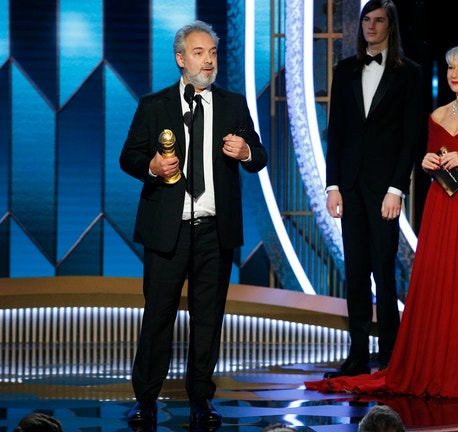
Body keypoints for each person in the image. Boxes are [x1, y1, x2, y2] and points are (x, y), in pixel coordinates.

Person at [308, 42, 458, 398]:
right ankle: (433, 363)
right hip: (442, 205)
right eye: (451, 67)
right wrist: (427, 163)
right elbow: (430, 155)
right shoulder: (437, 116)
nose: (454, 74)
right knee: (439, 281)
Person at [119, 20, 268, 430]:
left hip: (213, 230)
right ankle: (145, 400)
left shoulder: (234, 104)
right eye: (200, 53)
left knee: (208, 317)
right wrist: (151, 165)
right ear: (181, 59)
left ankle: (202, 398)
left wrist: (245, 152)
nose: (209, 61)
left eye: (213, 53)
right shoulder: (155, 105)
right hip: (167, 230)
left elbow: (260, 155)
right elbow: (128, 157)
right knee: (158, 316)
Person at [323, 0, 423, 378]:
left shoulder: (408, 74)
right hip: (348, 186)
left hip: (385, 189)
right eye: (366, 19)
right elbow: (338, 132)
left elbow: (410, 137)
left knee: (384, 270)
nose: (371, 26)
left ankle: (390, 357)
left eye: (379, 20)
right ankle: (357, 356)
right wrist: (333, 185)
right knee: (355, 272)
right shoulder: (344, 69)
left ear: (390, 27)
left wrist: (397, 188)